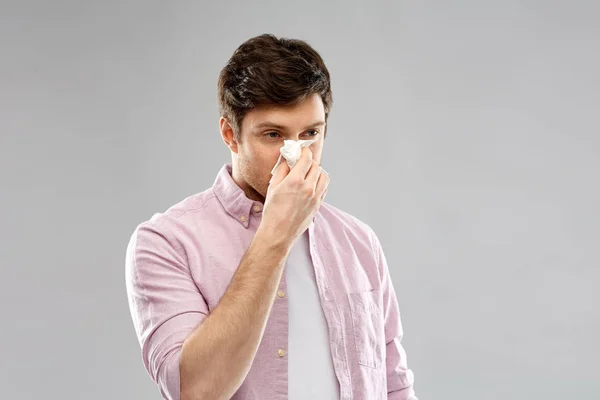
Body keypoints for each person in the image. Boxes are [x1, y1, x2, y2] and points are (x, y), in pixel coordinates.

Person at [125, 33, 418, 400]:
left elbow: (394, 385)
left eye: (311, 133)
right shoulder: (166, 243)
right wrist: (276, 233)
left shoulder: (359, 241)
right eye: (274, 134)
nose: (296, 155)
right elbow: (195, 391)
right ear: (231, 135)